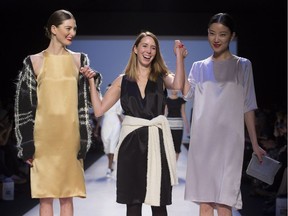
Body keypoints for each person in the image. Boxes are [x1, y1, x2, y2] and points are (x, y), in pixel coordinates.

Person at [82, 31, 188, 216]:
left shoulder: (161, 76)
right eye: (145, 46)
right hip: (131, 145)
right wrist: (91, 82)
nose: (149, 51)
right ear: (135, 49)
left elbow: (178, 85)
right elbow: (99, 110)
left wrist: (179, 56)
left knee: (159, 203)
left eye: (153, 47)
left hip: (156, 142)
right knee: (133, 203)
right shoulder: (122, 80)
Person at [14, 9, 101, 216]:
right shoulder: (34, 61)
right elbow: (23, 106)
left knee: (66, 195)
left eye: (74, 29)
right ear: (54, 29)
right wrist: (26, 143)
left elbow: (88, 100)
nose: (72, 33)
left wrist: (92, 79)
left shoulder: (79, 60)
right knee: (45, 196)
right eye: (68, 28)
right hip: (43, 139)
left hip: (70, 136)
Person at [182, 13, 266, 216]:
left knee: (225, 202)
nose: (216, 39)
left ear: (232, 36)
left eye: (222, 34)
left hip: (230, 143)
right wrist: (179, 59)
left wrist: (254, 143)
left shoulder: (243, 65)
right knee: (205, 203)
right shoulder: (198, 67)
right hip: (203, 142)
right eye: (212, 33)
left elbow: (248, 105)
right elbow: (186, 93)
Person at [100, 84, 123, 178]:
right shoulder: (102, 101)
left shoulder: (118, 101)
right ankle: (111, 159)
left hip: (115, 123)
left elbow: (119, 114)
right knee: (106, 144)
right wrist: (97, 127)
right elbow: (99, 114)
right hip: (105, 123)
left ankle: (109, 168)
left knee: (112, 145)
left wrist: (124, 124)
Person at [165, 90, 190, 161]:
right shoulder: (167, 100)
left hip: (179, 126)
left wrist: (187, 126)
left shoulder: (181, 100)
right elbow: (165, 113)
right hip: (169, 126)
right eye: (172, 88)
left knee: (177, 145)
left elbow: (183, 113)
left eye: (175, 88)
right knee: (169, 145)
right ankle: (169, 164)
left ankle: (174, 165)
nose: (174, 90)